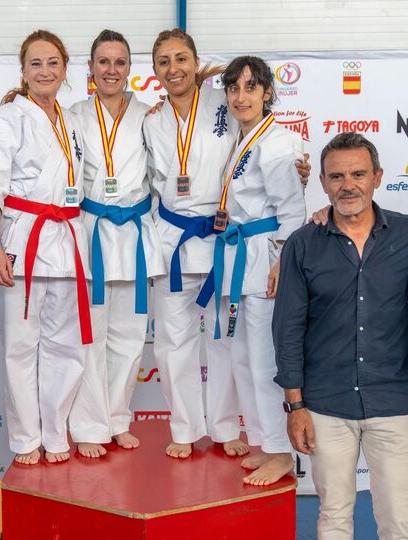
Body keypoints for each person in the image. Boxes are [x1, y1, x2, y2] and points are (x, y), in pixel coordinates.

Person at [143, 30, 309, 465]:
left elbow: (277, 162)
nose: (174, 68)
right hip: (177, 240)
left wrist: (300, 169)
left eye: (182, 58)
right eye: (163, 61)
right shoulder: (150, 120)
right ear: (155, 69)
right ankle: (185, 428)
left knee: (227, 343)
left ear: (197, 62)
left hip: (226, 244)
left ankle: (225, 427)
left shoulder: (223, 103)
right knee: (174, 342)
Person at [273, 132, 408, 539]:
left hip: (394, 401)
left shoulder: (405, 237)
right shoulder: (302, 244)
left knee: (399, 521)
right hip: (325, 405)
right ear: (323, 182)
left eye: (358, 174)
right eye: (337, 176)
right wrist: (295, 406)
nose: (348, 185)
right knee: (333, 516)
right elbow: (288, 328)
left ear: (378, 177)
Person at [0, 29, 91, 465]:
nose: (44, 71)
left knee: (66, 346)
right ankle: (25, 439)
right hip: (22, 239)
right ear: (23, 71)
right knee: (20, 348)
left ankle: (55, 434)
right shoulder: (5, 119)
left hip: (66, 240)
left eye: (53, 63)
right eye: (35, 63)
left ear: (65, 69)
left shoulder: (71, 121)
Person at [195, 56, 306, 485]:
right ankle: (263, 442)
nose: (241, 97)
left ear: (267, 93)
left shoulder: (277, 143)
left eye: (250, 88)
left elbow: (291, 211)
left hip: (263, 259)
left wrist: (282, 261)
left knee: (262, 360)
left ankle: (280, 451)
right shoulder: (243, 138)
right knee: (241, 358)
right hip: (237, 256)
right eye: (233, 88)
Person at [68, 30, 165, 458]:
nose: (111, 70)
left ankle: (117, 419)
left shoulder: (150, 115)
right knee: (90, 335)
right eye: (103, 62)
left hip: (135, 232)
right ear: (90, 68)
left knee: (129, 335)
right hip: (91, 230)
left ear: (130, 68)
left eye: (119, 62)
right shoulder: (73, 116)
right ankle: (90, 425)